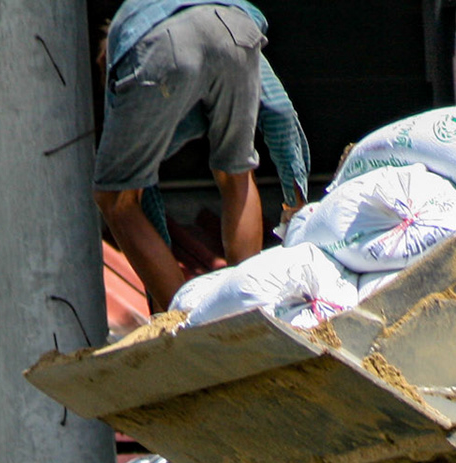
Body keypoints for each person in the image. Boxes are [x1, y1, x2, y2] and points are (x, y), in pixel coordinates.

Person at [93, 1, 311, 313]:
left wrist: (159, 304)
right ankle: (249, 306)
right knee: (237, 173)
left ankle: (180, 321)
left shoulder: (122, 54)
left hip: (159, 46)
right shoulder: (215, 10)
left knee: (115, 198)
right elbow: (279, 110)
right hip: (236, 30)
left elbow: (142, 194)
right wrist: (298, 204)